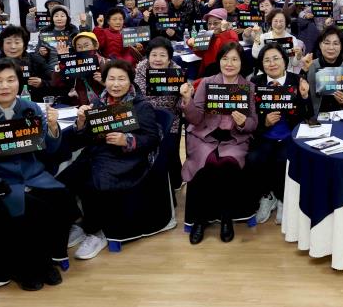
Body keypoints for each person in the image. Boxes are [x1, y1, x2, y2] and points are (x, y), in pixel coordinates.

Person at [0, 58, 74, 291]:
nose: (5, 86)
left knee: (63, 200)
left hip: (34, 175)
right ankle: (27, 268)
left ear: (19, 83)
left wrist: (53, 128)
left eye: (11, 80)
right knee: (30, 209)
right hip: (0, 181)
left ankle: (46, 259)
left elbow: (49, 149)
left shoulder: (31, 109)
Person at [58, 59, 161, 260]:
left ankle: (96, 233)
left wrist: (127, 139)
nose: (116, 84)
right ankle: (78, 223)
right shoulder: (98, 103)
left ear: (130, 81)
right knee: (62, 183)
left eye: (121, 79)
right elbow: (85, 138)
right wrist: (81, 122)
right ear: (104, 81)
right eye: (111, 79)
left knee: (93, 185)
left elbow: (152, 138)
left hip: (126, 159)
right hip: (96, 155)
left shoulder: (141, 105)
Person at [180, 43, 257, 244]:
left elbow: (253, 123)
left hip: (234, 138)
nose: (229, 64)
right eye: (225, 59)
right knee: (207, 163)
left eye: (234, 59)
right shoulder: (207, 83)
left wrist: (243, 122)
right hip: (205, 135)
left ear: (241, 63)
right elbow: (196, 118)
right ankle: (200, 220)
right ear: (219, 61)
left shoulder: (248, 87)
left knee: (228, 163)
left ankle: (226, 218)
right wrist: (188, 100)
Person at [248, 43, 312, 225]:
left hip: (290, 135)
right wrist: (265, 121)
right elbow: (250, 115)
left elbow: (308, 115)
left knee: (283, 158)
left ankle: (284, 198)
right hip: (264, 135)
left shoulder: (297, 80)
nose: (272, 63)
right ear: (261, 64)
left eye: (276, 58)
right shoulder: (255, 83)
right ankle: (267, 195)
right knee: (254, 158)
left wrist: (304, 97)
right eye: (267, 60)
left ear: (285, 61)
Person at [134, 37, 184, 190]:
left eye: (162, 55)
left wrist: (184, 95)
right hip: (146, 118)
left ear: (169, 58)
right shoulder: (141, 68)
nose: (157, 59)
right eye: (154, 54)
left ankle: (176, 181)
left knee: (171, 151)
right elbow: (140, 96)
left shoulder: (176, 71)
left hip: (171, 118)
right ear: (148, 56)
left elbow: (175, 102)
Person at [302, 26, 343, 116]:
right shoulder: (310, 66)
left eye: (335, 43)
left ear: (341, 46)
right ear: (320, 45)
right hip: (316, 119)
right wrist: (303, 71)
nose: (331, 47)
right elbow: (300, 97)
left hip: (342, 118)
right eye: (327, 43)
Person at [54, 31, 107, 106]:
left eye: (86, 45)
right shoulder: (72, 63)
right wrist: (62, 61)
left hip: (102, 106)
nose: (83, 49)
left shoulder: (106, 63)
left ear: (96, 45)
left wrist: (105, 82)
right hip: (79, 106)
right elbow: (56, 83)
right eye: (79, 47)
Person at [188, 8, 240, 77]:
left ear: (224, 23)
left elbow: (228, 51)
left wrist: (224, 31)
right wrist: (192, 44)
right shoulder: (207, 35)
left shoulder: (231, 33)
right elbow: (201, 53)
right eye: (209, 24)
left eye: (215, 23)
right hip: (207, 73)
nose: (212, 26)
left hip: (224, 73)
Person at [251, 9, 305, 73]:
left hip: (285, 73)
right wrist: (257, 38)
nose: (278, 24)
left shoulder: (292, 39)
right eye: (275, 21)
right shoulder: (263, 37)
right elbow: (255, 55)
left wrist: (298, 56)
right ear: (271, 22)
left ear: (286, 23)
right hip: (267, 72)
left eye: (281, 21)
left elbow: (294, 63)